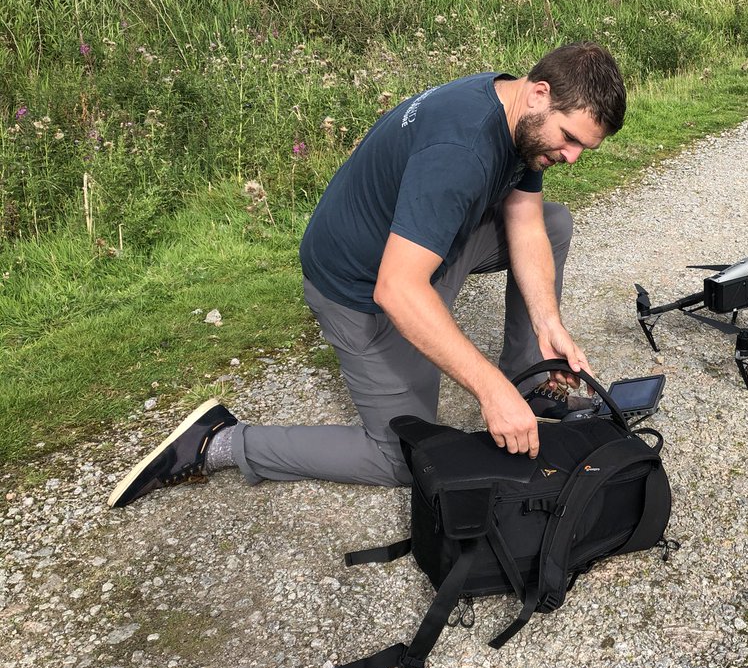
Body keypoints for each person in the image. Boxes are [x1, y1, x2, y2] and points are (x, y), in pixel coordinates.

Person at [108, 41, 626, 508]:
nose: (571, 157)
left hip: (420, 254)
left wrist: (548, 324)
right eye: (570, 139)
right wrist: (490, 392)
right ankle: (216, 442)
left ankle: (528, 380)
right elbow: (397, 289)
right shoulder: (462, 150)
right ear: (539, 93)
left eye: (585, 147)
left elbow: (526, 221)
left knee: (554, 223)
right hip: (360, 289)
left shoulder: (516, 112)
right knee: (401, 456)